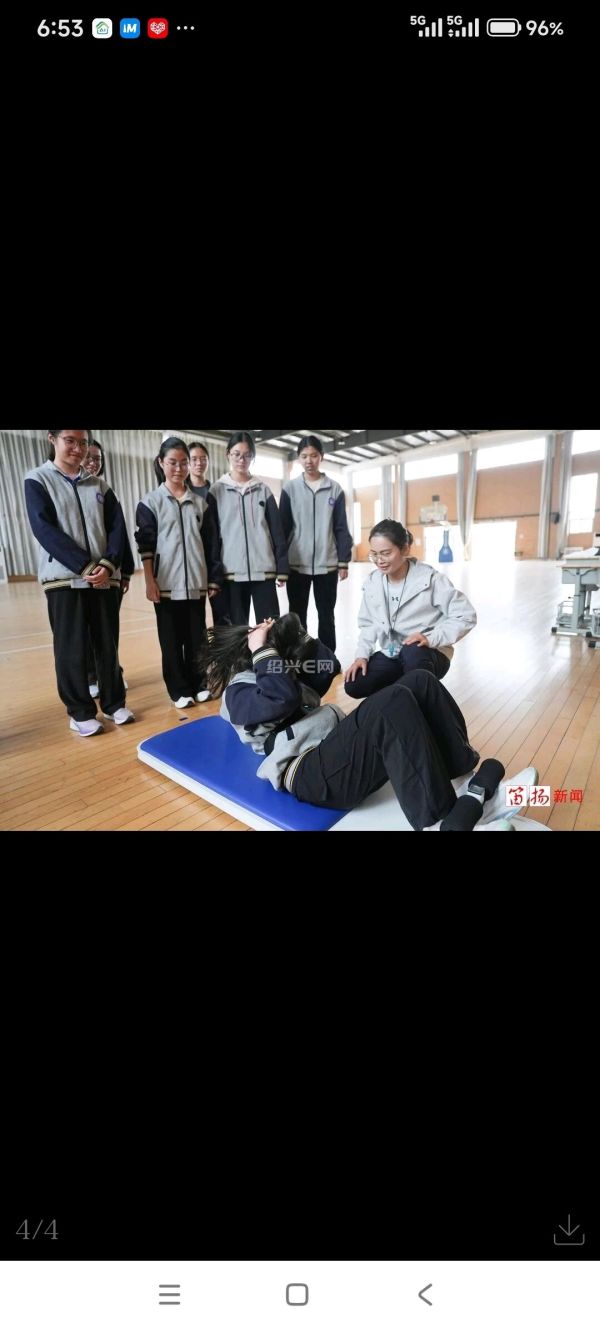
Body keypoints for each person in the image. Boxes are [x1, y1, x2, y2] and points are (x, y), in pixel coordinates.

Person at [200, 613, 519, 832]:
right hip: (311, 774)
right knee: (390, 702)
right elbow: (279, 698)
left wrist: (300, 636)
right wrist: (262, 648)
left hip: (333, 754)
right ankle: (436, 821)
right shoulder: (237, 693)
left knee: (420, 680)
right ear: (251, 653)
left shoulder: (281, 670)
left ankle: (465, 787)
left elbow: (328, 667)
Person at [24, 430, 134, 735]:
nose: (77, 448)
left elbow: (117, 529)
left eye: (83, 442)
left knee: (107, 645)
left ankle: (113, 703)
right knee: (71, 649)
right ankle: (80, 711)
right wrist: (84, 565)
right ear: (53, 439)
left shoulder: (100, 485)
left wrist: (109, 564)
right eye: (70, 440)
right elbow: (43, 528)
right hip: (63, 579)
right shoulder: (37, 480)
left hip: (103, 578)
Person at [135, 437, 224, 708]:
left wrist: (212, 578)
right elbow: (146, 546)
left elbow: (210, 544)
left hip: (195, 583)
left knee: (197, 639)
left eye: (183, 463)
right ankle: (178, 689)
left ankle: (199, 683)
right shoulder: (150, 503)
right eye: (172, 462)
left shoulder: (200, 503)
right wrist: (150, 581)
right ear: (161, 463)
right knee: (171, 641)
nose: (178, 468)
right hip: (166, 584)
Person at [345, 519, 476, 700]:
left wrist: (430, 638)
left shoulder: (432, 580)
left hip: (428, 653)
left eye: (386, 553)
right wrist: (361, 656)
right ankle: (405, 690)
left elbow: (466, 615)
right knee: (355, 683)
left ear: (405, 549)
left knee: (412, 652)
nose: (379, 561)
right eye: (374, 554)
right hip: (394, 652)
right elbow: (368, 624)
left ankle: (412, 697)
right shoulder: (373, 583)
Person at [279, 434, 352, 652]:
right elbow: (282, 529)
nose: (309, 461)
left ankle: (327, 658)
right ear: (298, 459)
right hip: (296, 564)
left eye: (313, 455)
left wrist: (343, 561)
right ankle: (298, 655)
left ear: (322, 457)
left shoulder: (335, 489)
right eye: (304, 456)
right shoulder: (290, 489)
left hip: (327, 564)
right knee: (297, 615)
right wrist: (281, 564)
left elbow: (341, 527)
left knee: (326, 615)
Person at [206, 431, 288, 625]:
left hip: (264, 572)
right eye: (236, 454)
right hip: (231, 573)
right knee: (237, 631)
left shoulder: (263, 490)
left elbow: (277, 531)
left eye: (247, 455)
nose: (241, 460)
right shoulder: (216, 491)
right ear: (228, 454)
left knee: (269, 628)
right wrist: (215, 574)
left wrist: (282, 567)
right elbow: (212, 537)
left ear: (252, 457)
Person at [84, 439, 133, 697]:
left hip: (110, 572)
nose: (93, 462)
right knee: (86, 630)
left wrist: (126, 570)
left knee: (108, 630)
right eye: (89, 457)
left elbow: (120, 533)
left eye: (97, 458)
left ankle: (112, 673)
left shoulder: (105, 491)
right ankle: (91, 675)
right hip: (82, 573)